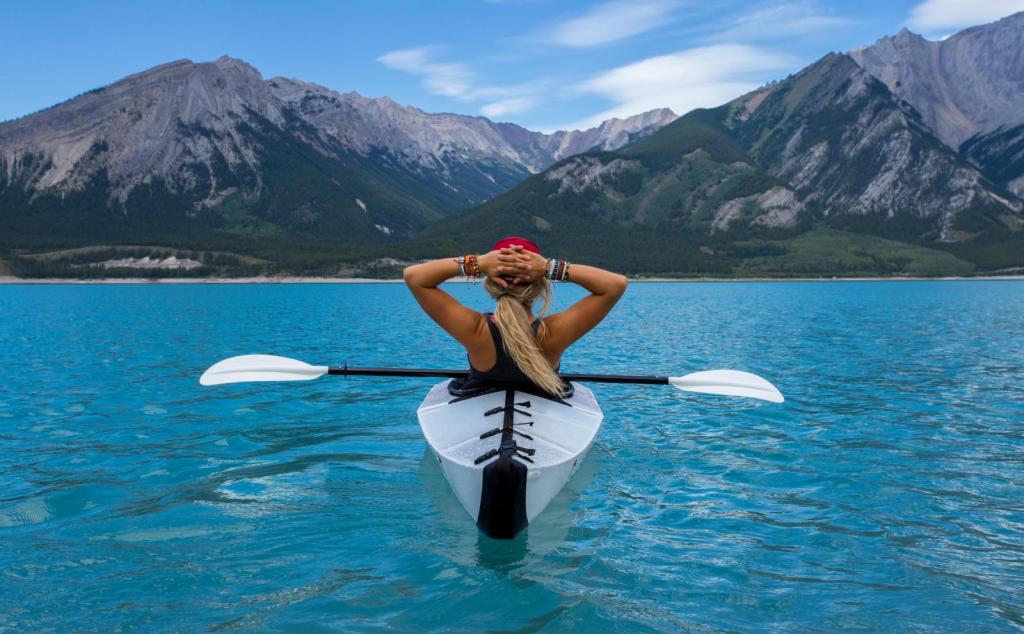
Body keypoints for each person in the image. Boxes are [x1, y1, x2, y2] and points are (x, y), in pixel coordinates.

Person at [403, 237, 628, 396]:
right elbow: (615, 284)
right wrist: (550, 267)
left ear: (490, 283)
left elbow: (414, 277)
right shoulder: (553, 333)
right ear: (541, 284)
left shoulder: (475, 330)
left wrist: (478, 262)